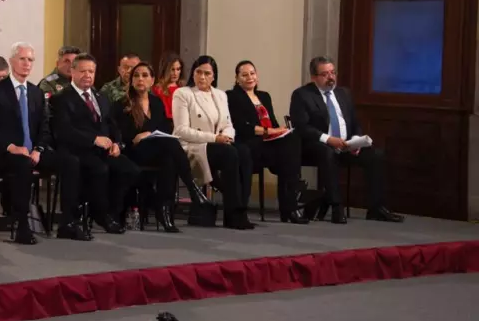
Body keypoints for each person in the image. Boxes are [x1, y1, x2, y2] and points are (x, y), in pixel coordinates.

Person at [0, 42, 86, 242]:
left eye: (30, 60)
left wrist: (38, 149)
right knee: (23, 164)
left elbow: (44, 128)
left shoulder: (35, 92)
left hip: (33, 152)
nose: (27, 63)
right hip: (5, 152)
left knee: (70, 162)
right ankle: (22, 225)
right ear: (12, 61)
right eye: (22, 59)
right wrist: (12, 147)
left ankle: (68, 223)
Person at [289, 56, 404, 224]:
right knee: (327, 153)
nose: (331, 77)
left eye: (333, 73)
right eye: (325, 74)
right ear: (314, 77)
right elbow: (301, 126)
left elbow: (354, 123)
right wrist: (329, 139)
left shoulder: (343, 93)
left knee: (376, 155)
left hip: (345, 146)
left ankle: (377, 208)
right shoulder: (302, 95)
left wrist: (356, 141)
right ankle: (337, 206)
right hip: (317, 146)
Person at [114, 62, 213, 233]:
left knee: (169, 160)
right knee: (171, 145)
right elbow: (124, 134)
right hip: (133, 151)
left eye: (145, 75)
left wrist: (148, 133)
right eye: (136, 76)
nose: (140, 79)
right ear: (131, 81)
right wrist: (143, 135)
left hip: (156, 150)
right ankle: (191, 188)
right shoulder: (122, 104)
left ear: (152, 80)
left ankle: (165, 211)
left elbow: (165, 128)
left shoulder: (156, 102)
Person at [50, 53, 140, 234]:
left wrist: (117, 143)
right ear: (73, 72)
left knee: (130, 170)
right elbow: (64, 130)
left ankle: (111, 212)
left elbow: (112, 125)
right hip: (78, 150)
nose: (87, 75)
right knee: (100, 169)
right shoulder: (61, 98)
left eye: (91, 71)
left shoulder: (100, 96)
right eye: (83, 71)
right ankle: (100, 214)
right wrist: (93, 139)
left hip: (104, 150)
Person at [172, 55, 255, 230]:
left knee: (244, 152)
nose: (202, 77)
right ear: (193, 73)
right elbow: (181, 130)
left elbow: (228, 124)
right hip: (194, 146)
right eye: (198, 72)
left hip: (218, 143)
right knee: (230, 154)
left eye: (207, 73)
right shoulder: (183, 94)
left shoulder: (220, 95)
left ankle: (240, 208)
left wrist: (227, 137)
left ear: (213, 76)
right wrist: (215, 138)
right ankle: (234, 213)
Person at [226, 60, 308, 224]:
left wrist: (282, 131)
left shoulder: (264, 96)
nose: (250, 77)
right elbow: (240, 126)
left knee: (292, 140)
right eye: (244, 75)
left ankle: (290, 205)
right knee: (287, 157)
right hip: (249, 142)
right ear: (237, 79)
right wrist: (267, 132)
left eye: (252, 73)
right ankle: (291, 202)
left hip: (270, 142)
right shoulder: (232, 96)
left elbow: (274, 124)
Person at [152, 52, 185, 122]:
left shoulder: (183, 89)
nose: (175, 73)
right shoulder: (157, 90)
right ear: (165, 69)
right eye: (172, 69)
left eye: (178, 69)